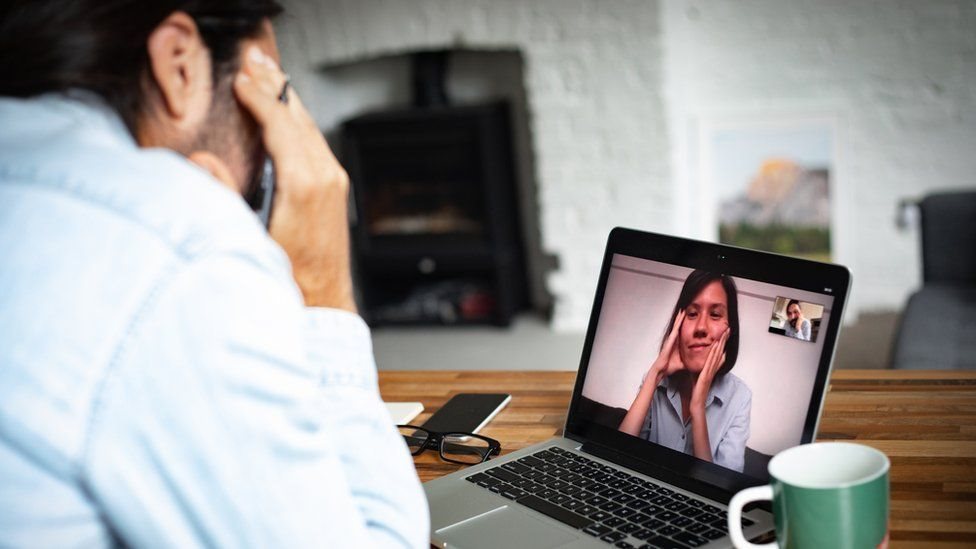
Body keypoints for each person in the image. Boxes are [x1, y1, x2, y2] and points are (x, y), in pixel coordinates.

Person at [0, 1, 428, 546]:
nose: (274, 140)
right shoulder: (178, 243)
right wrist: (320, 288)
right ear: (180, 61)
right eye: (274, 95)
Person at [618, 270, 752, 472]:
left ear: (729, 330)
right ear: (678, 325)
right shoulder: (655, 381)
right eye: (692, 313)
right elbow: (618, 456)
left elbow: (717, 489)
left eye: (715, 314)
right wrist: (655, 373)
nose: (700, 327)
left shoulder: (740, 397)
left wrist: (698, 407)